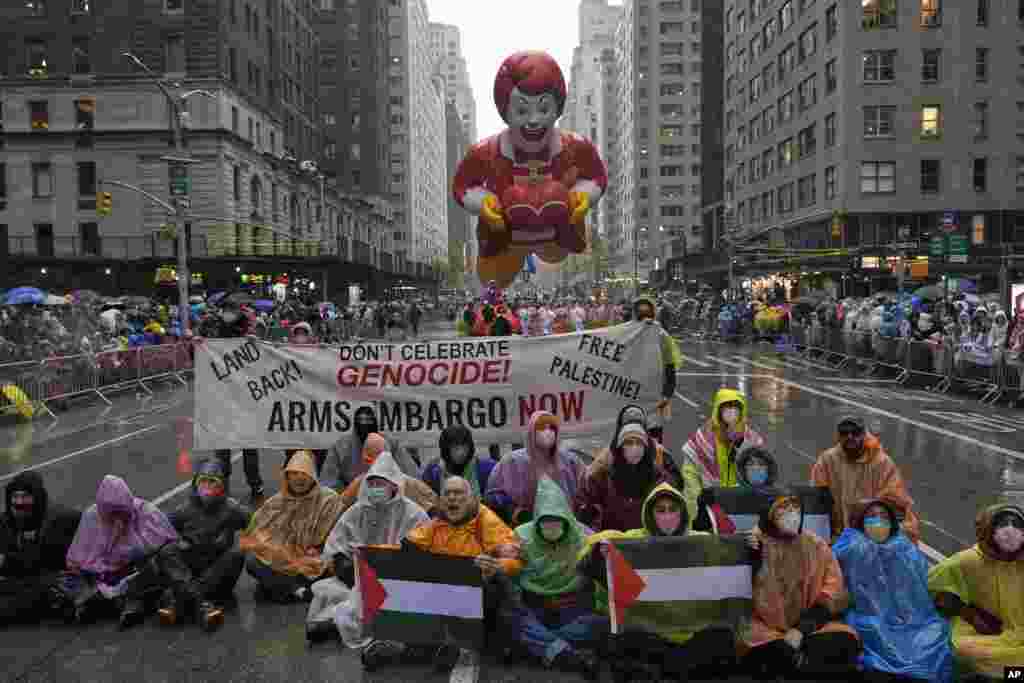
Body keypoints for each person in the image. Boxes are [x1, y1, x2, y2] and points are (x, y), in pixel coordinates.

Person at [578, 482, 739, 682]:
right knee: (611, 633)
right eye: (661, 510)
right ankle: (674, 669)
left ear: (682, 513)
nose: (667, 515)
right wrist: (598, 553)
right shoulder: (633, 540)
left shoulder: (701, 541)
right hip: (650, 629)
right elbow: (586, 561)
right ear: (650, 513)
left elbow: (732, 566)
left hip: (690, 629)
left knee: (724, 637)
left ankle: (667, 668)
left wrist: (750, 548)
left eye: (673, 510)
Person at [360, 476, 522, 672]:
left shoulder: (486, 521)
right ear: (441, 500)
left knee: (496, 582)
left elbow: (515, 557)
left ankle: (442, 646)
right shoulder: (435, 525)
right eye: (447, 493)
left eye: (458, 493)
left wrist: (496, 565)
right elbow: (401, 550)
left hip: (480, 599)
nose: (452, 498)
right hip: (445, 599)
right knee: (399, 575)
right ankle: (405, 642)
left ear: (471, 498)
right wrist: (369, 553)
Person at [307, 452, 429, 644]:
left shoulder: (413, 514)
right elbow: (335, 545)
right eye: (372, 484)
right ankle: (347, 623)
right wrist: (343, 564)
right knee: (330, 591)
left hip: (397, 579)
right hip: (358, 579)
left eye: (380, 484)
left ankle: (338, 625)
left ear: (394, 485)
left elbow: (422, 554)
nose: (375, 489)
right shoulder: (358, 511)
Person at [832, 499, 953, 683]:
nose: (879, 522)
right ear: (859, 521)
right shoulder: (850, 548)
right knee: (875, 632)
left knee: (936, 631)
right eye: (872, 517)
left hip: (913, 616)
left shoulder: (903, 547)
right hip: (871, 616)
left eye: (884, 517)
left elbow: (922, 582)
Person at [741, 493, 860, 680]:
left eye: (795, 508)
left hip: (812, 626)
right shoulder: (755, 546)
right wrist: (750, 555)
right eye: (782, 509)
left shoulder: (815, 544)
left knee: (845, 642)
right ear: (768, 515)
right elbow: (740, 594)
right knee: (766, 653)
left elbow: (833, 592)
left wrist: (801, 629)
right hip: (766, 630)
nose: (791, 514)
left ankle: (798, 663)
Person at [502, 476, 604, 679]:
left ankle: (542, 646)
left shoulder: (585, 536)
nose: (551, 526)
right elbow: (508, 574)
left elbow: (604, 566)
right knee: (512, 618)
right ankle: (569, 654)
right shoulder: (519, 536)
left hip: (574, 609)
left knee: (602, 625)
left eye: (556, 520)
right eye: (545, 520)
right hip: (534, 606)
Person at [56, 475, 184, 629]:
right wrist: (98, 567)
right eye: (111, 514)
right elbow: (76, 558)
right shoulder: (92, 516)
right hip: (102, 574)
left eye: (121, 513)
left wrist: (130, 552)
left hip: (137, 571)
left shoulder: (144, 511)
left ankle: (126, 603)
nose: (117, 519)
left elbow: (165, 545)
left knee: (149, 573)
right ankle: (117, 602)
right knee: (70, 582)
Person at [928, 503, 1024, 681]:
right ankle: (1014, 676)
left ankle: (1013, 675)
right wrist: (969, 613)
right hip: (983, 637)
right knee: (969, 652)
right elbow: (932, 589)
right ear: (988, 529)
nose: (1010, 530)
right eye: (1002, 524)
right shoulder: (968, 560)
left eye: (1017, 524)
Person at [240, 450, 346, 604]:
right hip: (287, 559)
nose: (299, 478)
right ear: (287, 476)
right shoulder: (275, 503)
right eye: (294, 473)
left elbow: (338, 534)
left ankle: (285, 587)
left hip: (316, 558)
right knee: (252, 562)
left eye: (305, 473)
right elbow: (258, 535)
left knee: (339, 562)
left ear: (313, 476)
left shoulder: (329, 499)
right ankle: (298, 590)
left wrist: (320, 548)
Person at [160, 457, 251, 632]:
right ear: (196, 483)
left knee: (238, 552)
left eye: (213, 481)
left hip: (219, 576)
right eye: (204, 481)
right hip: (191, 572)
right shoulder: (184, 509)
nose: (208, 486)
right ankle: (201, 603)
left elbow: (260, 525)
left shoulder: (233, 509)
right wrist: (179, 542)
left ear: (222, 485)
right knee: (166, 550)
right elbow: (160, 532)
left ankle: (182, 601)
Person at [811, 415, 920, 544]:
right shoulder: (827, 460)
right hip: (837, 536)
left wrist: (870, 515)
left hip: (873, 536)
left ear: (864, 434)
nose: (850, 437)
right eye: (844, 433)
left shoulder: (882, 462)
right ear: (838, 436)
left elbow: (896, 501)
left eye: (855, 432)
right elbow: (816, 498)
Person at [678, 388, 766, 530]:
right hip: (709, 508)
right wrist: (696, 510)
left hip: (740, 509)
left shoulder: (752, 441)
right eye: (727, 407)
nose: (731, 411)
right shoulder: (701, 440)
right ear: (718, 410)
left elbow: (760, 479)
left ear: (741, 411)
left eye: (735, 407)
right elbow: (690, 477)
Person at [0, 471, 81, 625]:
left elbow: (45, 561)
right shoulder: (6, 521)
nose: (19, 502)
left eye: (25, 496)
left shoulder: (59, 520)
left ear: (37, 497)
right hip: (23, 579)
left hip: (55, 580)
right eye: (15, 496)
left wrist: (6, 561)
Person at [485, 410, 586, 526]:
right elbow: (492, 496)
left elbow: (587, 490)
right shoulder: (511, 461)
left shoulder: (571, 461)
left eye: (552, 428)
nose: (548, 432)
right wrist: (515, 511)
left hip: (566, 528)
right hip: (523, 529)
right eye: (542, 428)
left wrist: (584, 511)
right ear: (532, 431)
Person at [575, 422, 670, 532]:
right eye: (629, 443)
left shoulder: (659, 476)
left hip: (646, 542)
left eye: (639, 442)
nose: (635, 447)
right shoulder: (602, 475)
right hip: (611, 542)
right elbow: (583, 509)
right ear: (620, 447)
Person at [321, 406, 419, 491]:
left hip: (388, 492)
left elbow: (410, 475)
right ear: (355, 424)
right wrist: (347, 494)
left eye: (368, 420)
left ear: (375, 423)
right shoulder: (340, 446)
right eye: (361, 420)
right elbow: (328, 481)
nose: (364, 424)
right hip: (351, 496)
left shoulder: (391, 443)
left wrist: (394, 489)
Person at [693, 446, 780, 533]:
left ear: (769, 469)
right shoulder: (725, 495)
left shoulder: (779, 498)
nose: (756, 468)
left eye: (761, 464)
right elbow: (701, 528)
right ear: (743, 469)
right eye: (750, 464)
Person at [630, 296, 681, 444]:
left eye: (647, 314)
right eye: (641, 315)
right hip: (630, 393)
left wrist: (667, 394)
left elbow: (670, 367)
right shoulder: (626, 333)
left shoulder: (661, 335)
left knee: (654, 439)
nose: (644, 319)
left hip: (654, 397)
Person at [421, 424, 497, 498]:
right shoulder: (433, 472)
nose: (461, 452)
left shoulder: (487, 469)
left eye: (464, 446)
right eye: (455, 447)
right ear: (446, 449)